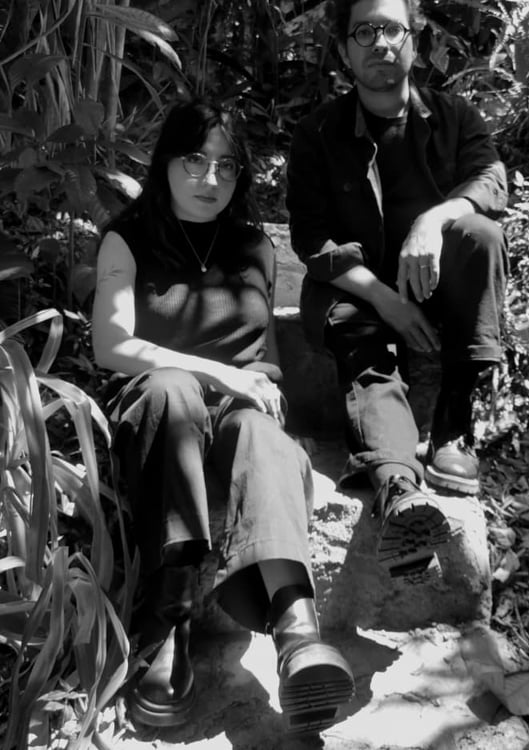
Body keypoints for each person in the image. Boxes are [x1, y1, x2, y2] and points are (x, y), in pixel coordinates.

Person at [91, 98, 354, 735]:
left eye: (227, 165)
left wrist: (246, 389)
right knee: (174, 391)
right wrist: (216, 372)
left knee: (262, 435)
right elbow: (111, 344)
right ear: (166, 162)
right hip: (158, 405)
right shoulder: (128, 238)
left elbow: (263, 362)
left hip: (241, 407)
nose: (211, 179)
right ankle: (171, 621)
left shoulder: (254, 246)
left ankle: (298, 634)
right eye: (195, 160)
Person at [286, 0, 509, 580]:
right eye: (365, 32)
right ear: (344, 50)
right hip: (354, 292)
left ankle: (452, 427)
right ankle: (398, 491)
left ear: (414, 40)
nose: (381, 42)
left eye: (393, 29)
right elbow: (310, 239)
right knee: (361, 341)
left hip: (432, 284)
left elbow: (491, 180)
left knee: (480, 235)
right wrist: (385, 300)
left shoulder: (452, 116)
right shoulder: (318, 133)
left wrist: (433, 220)